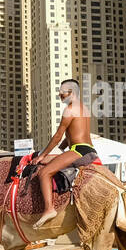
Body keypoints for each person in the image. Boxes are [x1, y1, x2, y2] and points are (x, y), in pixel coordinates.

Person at [32, 78, 97, 229]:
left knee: (44, 173)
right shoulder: (83, 108)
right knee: (49, 160)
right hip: (90, 150)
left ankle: (49, 209)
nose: (60, 95)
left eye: (62, 92)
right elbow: (71, 136)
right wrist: (59, 151)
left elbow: (58, 136)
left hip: (79, 150)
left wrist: (42, 155)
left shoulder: (69, 109)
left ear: (71, 92)